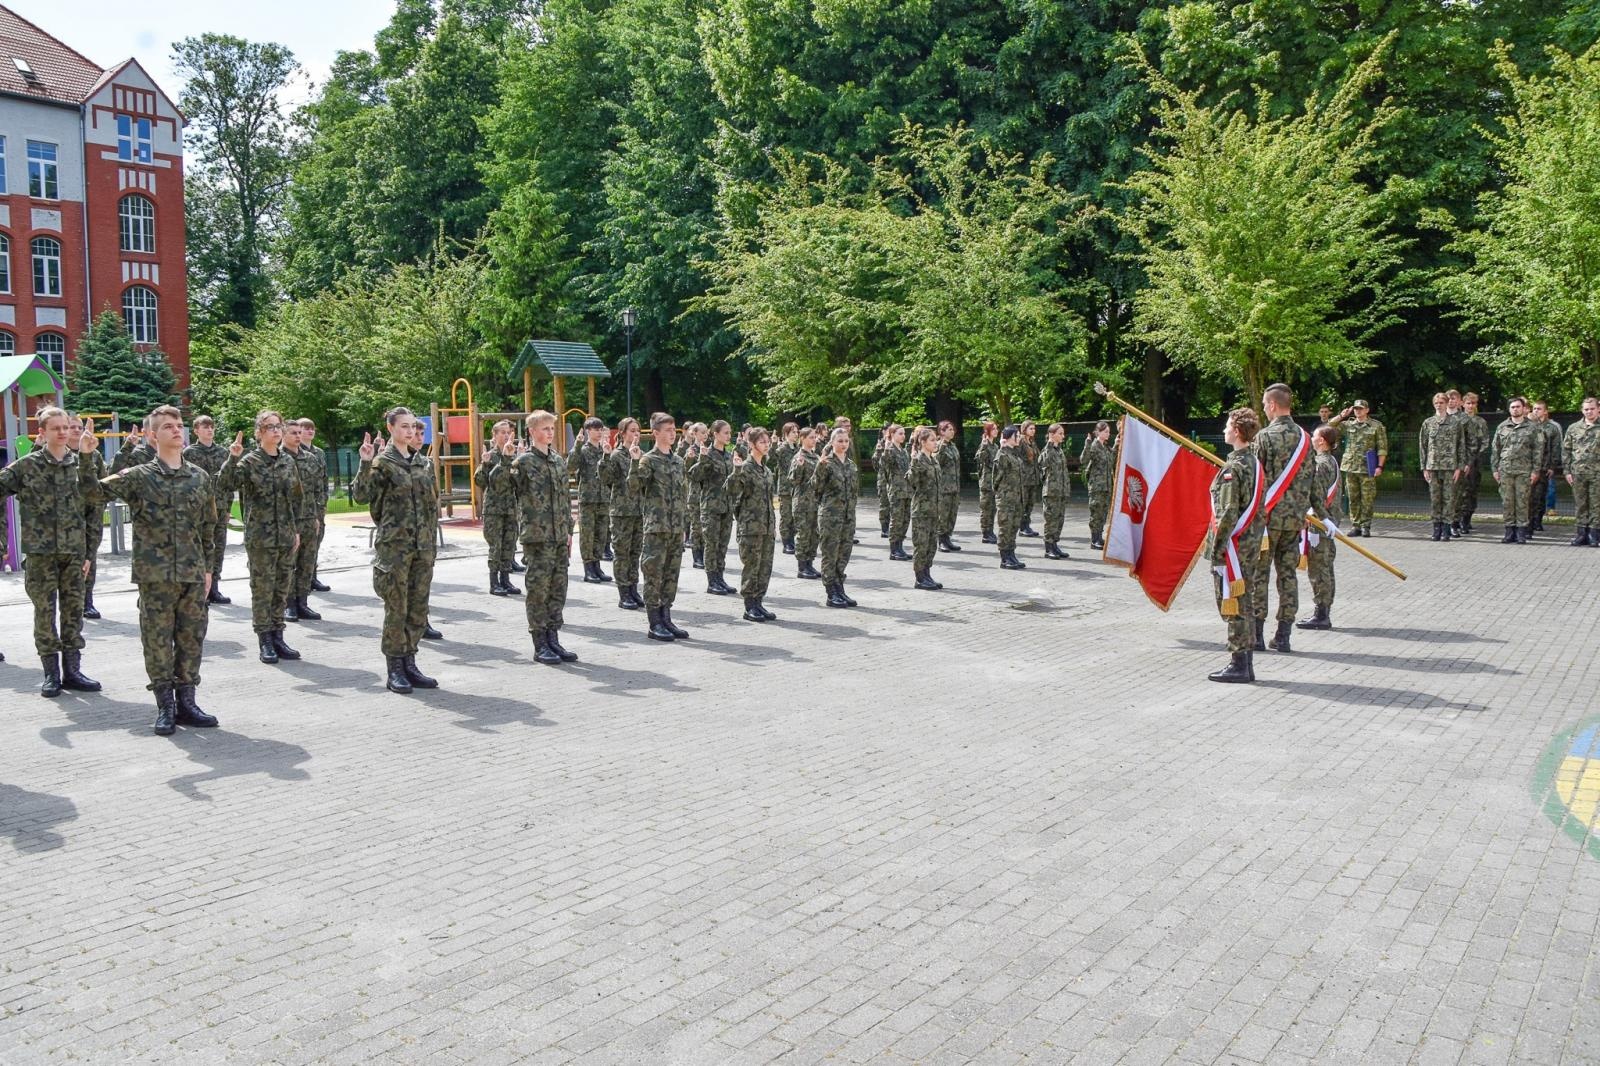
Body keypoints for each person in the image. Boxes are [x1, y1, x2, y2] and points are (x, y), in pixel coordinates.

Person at [97, 405, 223, 735]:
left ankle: (188, 701)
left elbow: (208, 527)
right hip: (155, 576)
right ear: (153, 435)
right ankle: (165, 705)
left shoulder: (199, 476)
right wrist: (87, 455)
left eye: (179, 425)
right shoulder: (139, 476)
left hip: (193, 573)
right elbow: (95, 492)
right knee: (156, 641)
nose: (177, 430)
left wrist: (209, 569)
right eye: (168, 426)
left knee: (191, 639)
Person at [0, 406, 101, 697]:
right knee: (44, 613)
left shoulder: (83, 465)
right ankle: (51, 674)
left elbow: (93, 509)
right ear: (41, 433)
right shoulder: (26, 466)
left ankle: (73, 671)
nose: (62, 432)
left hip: (73, 553)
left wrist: (89, 554)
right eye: (54, 428)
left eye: (66, 427)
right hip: (41, 555)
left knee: (72, 613)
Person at [352, 408, 439, 692]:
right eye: (404, 426)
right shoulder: (382, 463)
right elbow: (361, 497)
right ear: (390, 428)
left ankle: (410, 662)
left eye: (413, 426)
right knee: (396, 609)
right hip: (395, 548)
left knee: (417, 608)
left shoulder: (423, 462)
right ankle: (395, 668)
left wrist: (431, 545)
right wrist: (365, 463)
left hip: (422, 547)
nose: (410, 431)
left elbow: (431, 505)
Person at [221, 411, 306, 666]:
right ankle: (264, 639)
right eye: (269, 427)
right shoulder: (249, 462)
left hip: (285, 535)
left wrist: (296, 530)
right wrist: (232, 457)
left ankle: (278, 635)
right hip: (261, 537)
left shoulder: (288, 461)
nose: (275, 431)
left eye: (278, 426)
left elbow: (296, 497)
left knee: (281, 588)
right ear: (259, 433)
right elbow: (226, 484)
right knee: (262, 590)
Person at [1253, 384, 1321, 654]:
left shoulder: (1265, 437)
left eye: (1264, 404)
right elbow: (1312, 479)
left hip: (1267, 520)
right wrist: (1313, 512)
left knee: (1260, 575)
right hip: (1295, 519)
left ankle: (1257, 634)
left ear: (1272, 405)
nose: (1263, 408)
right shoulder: (1305, 438)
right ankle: (1283, 635)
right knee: (1287, 576)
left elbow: (1257, 481)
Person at [509, 410, 577, 666]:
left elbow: (564, 499)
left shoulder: (558, 461)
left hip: (559, 536)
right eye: (545, 428)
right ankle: (539, 643)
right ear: (532, 431)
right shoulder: (523, 462)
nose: (549, 432)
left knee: (558, 589)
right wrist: (504, 460)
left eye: (551, 428)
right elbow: (503, 490)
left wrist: (569, 530)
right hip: (537, 538)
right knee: (538, 590)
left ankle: (553, 637)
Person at [1204, 408, 1262, 683]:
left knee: (1233, 603)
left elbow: (1226, 513)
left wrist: (1217, 552)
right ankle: (1245, 662)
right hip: (1249, 544)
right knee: (1245, 602)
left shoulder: (1233, 469)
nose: (1224, 431)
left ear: (1237, 432)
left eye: (1227, 426)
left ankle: (1238, 663)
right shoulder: (1254, 464)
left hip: (1233, 548)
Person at [630, 412, 691, 641]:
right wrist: (634, 462)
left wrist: (683, 524)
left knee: (671, 574)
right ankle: (654, 622)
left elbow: (682, 496)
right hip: (656, 528)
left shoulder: (678, 461)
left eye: (674, 430)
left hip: (675, 528)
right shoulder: (648, 460)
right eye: (667, 430)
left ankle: (666, 617)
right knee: (654, 574)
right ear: (655, 433)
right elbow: (635, 487)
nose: (672, 434)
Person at [727, 427, 778, 621]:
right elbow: (730, 490)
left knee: (765, 566)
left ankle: (759, 602)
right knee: (752, 567)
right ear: (752, 444)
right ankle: (750, 606)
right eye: (762, 442)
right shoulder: (745, 468)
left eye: (767, 442)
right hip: (750, 527)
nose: (766, 445)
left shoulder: (766, 470)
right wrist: (736, 470)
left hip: (767, 526)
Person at [183, 414, 234, 604]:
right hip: (199, 509)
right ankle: (199, 589)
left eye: (211, 426)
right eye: (205, 427)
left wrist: (228, 508)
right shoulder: (189, 453)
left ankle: (214, 588)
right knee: (200, 548)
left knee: (218, 548)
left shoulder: (223, 452)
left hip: (219, 507)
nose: (209, 430)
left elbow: (228, 482)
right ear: (196, 430)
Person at [1297, 425, 1342, 631]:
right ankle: (1322, 610)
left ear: (1322, 441)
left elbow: (1318, 496)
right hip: (1326, 521)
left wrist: (1315, 518)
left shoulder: (1321, 464)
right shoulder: (1329, 460)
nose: (1312, 439)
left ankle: (1322, 614)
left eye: (1314, 436)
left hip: (1320, 523)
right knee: (1325, 566)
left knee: (1319, 568)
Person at [282, 422, 326, 621]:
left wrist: (318, 514)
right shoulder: (279, 459)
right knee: (289, 563)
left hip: (309, 518)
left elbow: (318, 488)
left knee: (307, 563)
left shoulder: (310, 458)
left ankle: (303, 602)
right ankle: (289, 604)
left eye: (300, 433)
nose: (298, 436)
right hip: (289, 520)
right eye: (293, 433)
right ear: (283, 434)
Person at [474, 419, 522, 596]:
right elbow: (480, 481)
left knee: (509, 545)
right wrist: (485, 465)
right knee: (496, 546)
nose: (506, 435)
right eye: (502, 432)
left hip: (510, 508)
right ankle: (494, 582)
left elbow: (518, 482)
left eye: (508, 432)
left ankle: (506, 580)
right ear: (494, 436)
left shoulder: (514, 457)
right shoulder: (491, 456)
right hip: (494, 508)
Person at [689, 419, 736, 595]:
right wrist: (702, 459)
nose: (729, 436)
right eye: (725, 432)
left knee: (722, 545)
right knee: (712, 545)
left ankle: (720, 578)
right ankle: (712, 581)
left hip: (726, 507)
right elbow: (694, 476)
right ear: (715, 434)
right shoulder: (707, 453)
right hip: (711, 507)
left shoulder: (728, 455)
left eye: (730, 432)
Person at [603, 417, 646, 608]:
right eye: (632, 430)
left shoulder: (641, 454)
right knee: (622, 553)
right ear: (622, 434)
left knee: (635, 553)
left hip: (639, 511)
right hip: (622, 512)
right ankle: (624, 592)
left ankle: (633, 588)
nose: (636, 434)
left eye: (638, 430)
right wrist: (604, 457)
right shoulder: (616, 455)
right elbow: (606, 478)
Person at [815, 427, 859, 607]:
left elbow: (854, 492)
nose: (843, 444)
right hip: (830, 517)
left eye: (846, 441)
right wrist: (819, 467)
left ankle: (839, 586)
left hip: (848, 517)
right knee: (830, 554)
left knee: (844, 553)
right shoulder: (826, 463)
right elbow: (815, 488)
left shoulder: (851, 465)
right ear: (832, 443)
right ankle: (831, 591)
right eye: (839, 441)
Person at [1329, 400, 1386, 536]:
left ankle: (1366, 525)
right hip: (1351, 466)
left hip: (1368, 467)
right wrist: (1341, 415)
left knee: (1367, 498)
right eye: (1356, 409)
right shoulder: (1348, 424)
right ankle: (1356, 525)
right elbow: (1329, 426)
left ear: (1367, 410)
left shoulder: (1376, 426)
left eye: (1360, 409)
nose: (1358, 411)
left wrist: (1379, 466)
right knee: (1352, 497)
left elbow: (1382, 448)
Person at [68, 417, 106, 620]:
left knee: (89, 558)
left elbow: (102, 484)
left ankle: (87, 601)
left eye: (79, 427)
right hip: (65, 519)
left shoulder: (95, 455)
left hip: (90, 516)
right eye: (71, 427)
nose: (75, 430)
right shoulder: (57, 454)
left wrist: (98, 506)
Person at [1491, 396, 1541, 543]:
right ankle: (1509, 530)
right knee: (1507, 501)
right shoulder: (1502, 427)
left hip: (1524, 470)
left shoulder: (1532, 427)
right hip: (1505, 470)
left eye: (1518, 406)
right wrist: (1495, 469)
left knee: (1522, 501)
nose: (1515, 409)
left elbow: (1538, 450)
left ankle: (1521, 532)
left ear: (1523, 408)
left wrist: (1535, 471)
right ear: (1509, 409)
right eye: (1513, 407)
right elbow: (1496, 449)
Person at [1419, 392, 1466, 542]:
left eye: (1442, 402)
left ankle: (1446, 529)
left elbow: (1461, 446)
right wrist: (1424, 467)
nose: (1439, 405)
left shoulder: (1456, 422)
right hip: (1432, 466)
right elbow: (1423, 446)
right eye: (1436, 403)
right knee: (1435, 499)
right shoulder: (1428, 423)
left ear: (1447, 404)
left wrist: (1459, 467)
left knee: (1449, 499)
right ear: (1434, 404)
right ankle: (1436, 529)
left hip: (1450, 467)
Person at [573, 416, 612, 584]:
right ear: (588, 431)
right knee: (587, 535)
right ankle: (588, 567)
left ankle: (597, 565)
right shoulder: (583, 450)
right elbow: (570, 466)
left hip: (603, 498)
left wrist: (607, 454)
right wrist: (577, 445)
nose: (599, 432)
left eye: (600, 429)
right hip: (588, 498)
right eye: (595, 429)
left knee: (601, 534)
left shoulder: (605, 450)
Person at [907, 427, 943, 589]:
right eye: (932, 440)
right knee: (921, 545)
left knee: (931, 545)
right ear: (923, 442)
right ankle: (920, 577)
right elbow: (912, 482)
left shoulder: (933, 460)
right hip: (921, 510)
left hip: (934, 509)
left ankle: (927, 573)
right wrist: (914, 465)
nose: (936, 443)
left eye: (936, 439)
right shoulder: (917, 460)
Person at [1565, 397, 1600, 546]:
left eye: (1592, 408)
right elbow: (1566, 450)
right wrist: (1567, 471)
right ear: (1582, 410)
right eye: (1586, 409)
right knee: (1580, 504)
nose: (1589, 411)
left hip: (1597, 473)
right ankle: (1581, 534)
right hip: (1578, 473)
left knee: (1596, 504)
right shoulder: (1574, 428)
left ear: (1598, 409)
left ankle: (1594, 535)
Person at [789, 428, 822, 580]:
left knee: (814, 534)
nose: (814, 440)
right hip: (802, 502)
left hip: (815, 501)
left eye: (815, 437)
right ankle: (802, 567)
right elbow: (793, 480)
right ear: (802, 438)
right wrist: (799, 466)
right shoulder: (799, 457)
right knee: (803, 534)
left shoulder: (815, 456)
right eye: (810, 437)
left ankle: (810, 563)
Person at [992, 425, 1027, 570]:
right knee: (1005, 527)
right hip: (1006, 499)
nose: (1019, 438)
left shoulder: (1013, 454)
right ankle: (1004, 557)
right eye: (1016, 435)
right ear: (1008, 438)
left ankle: (1011, 554)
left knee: (1013, 527)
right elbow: (996, 479)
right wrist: (1002, 494)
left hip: (1017, 498)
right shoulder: (1002, 455)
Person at [1456, 393, 1490, 535]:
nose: (1470, 406)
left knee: (1472, 491)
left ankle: (1467, 519)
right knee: (1459, 493)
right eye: (1468, 403)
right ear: (1463, 404)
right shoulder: (1457, 420)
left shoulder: (1480, 422)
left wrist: (1474, 456)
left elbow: (1485, 441)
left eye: (1473, 403)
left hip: (1475, 462)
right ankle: (1457, 520)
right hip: (1459, 462)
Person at [1080, 421, 1115, 551]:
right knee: (1096, 513)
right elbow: (1083, 460)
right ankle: (1094, 539)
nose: (1108, 434)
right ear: (1098, 432)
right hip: (1096, 486)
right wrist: (1087, 444)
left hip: (1106, 486)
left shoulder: (1105, 447)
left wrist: (1116, 445)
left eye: (1108, 432)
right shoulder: (1094, 446)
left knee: (1103, 513)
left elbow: (1112, 461)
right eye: (1105, 431)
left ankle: (1099, 537)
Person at [1039, 423, 1071, 559]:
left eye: (1063, 433)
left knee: (1059, 519)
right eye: (1060, 433)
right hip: (1051, 492)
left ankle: (1055, 545)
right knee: (1051, 520)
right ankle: (1048, 548)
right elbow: (1042, 462)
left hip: (1061, 491)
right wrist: (1050, 444)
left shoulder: (1059, 450)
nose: (1063, 436)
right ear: (1052, 435)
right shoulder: (1048, 450)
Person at [879, 425, 911, 561]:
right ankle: (894, 549)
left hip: (907, 490)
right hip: (896, 490)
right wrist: (886, 449)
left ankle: (900, 546)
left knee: (905, 519)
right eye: (900, 433)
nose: (903, 436)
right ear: (892, 434)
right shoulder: (889, 450)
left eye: (904, 433)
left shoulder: (903, 451)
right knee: (896, 520)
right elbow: (884, 467)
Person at [1531, 401, 1564, 532]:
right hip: (1529, 467)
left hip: (1544, 467)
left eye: (1539, 409)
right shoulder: (1529, 426)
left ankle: (1537, 521)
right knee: (1529, 497)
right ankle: (1529, 521)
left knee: (1540, 495)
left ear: (1545, 411)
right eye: (1534, 409)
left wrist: (1552, 466)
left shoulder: (1552, 428)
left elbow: (1555, 448)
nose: (1535, 411)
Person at [773, 422, 799, 554]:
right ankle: (786, 542)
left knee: (795, 516)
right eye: (793, 432)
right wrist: (773, 444)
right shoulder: (782, 449)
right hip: (785, 488)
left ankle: (792, 539)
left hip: (796, 488)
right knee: (786, 516)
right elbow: (771, 459)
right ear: (786, 434)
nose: (796, 434)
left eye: (797, 432)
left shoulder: (797, 448)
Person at [936, 420, 962, 552]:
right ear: (942, 432)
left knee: (952, 514)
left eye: (953, 429)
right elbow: (936, 466)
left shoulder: (952, 446)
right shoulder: (939, 447)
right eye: (949, 429)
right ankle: (941, 540)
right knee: (943, 515)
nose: (952, 431)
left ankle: (947, 538)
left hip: (954, 487)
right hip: (944, 487)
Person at [975, 421, 999, 544]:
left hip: (994, 481)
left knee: (993, 508)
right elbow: (979, 459)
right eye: (993, 429)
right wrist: (984, 446)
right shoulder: (984, 445)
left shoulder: (995, 446)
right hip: (986, 481)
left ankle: (990, 530)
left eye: (996, 428)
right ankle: (985, 532)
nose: (996, 431)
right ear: (988, 431)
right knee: (986, 508)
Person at [1019, 420, 1041, 537]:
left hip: (1033, 477)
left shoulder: (1032, 442)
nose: (1033, 430)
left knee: (1030, 503)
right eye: (1030, 428)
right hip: (1024, 477)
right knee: (1023, 502)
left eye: (1034, 428)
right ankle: (1022, 527)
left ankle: (1026, 525)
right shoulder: (1021, 442)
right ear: (1024, 429)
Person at [873, 431, 891, 539]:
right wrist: (879, 450)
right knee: (884, 505)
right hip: (883, 480)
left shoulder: (896, 445)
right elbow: (876, 465)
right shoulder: (880, 446)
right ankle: (885, 528)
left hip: (894, 482)